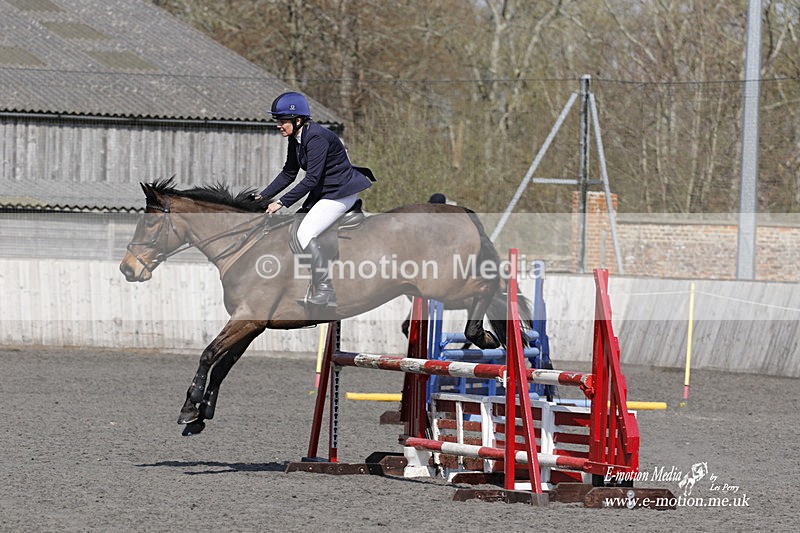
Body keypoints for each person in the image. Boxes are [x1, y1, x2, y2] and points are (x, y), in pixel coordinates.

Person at [255, 92, 372, 308]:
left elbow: (311, 179)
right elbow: (289, 173)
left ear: (297, 120)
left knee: (305, 232)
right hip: (325, 192)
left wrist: (281, 202)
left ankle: (326, 289)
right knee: (296, 225)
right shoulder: (296, 138)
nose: (278, 125)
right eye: (277, 121)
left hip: (340, 192)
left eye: (282, 121)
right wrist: (262, 196)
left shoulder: (316, 137)